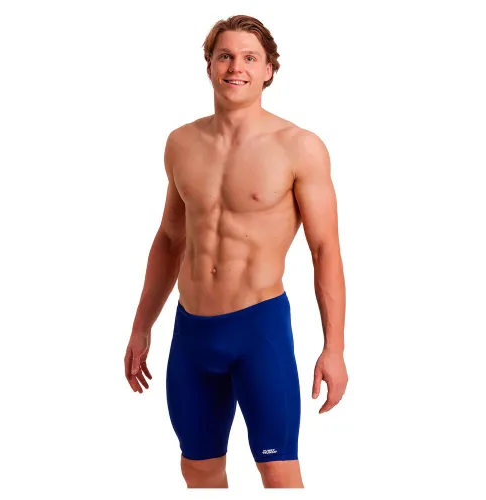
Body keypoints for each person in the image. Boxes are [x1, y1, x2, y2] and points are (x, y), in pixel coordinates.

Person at [124, 14, 348, 489]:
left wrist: (334, 348)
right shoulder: (181, 142)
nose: (235, 67)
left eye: (249, 58)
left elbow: (325, 249)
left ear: (269, 70)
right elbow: (169, 239)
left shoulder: (299, 147)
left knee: (279, 473)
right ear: (209, 65)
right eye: (225, 56)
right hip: (192, 333)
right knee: (199, 470)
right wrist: (142, 326)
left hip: (258, 330)